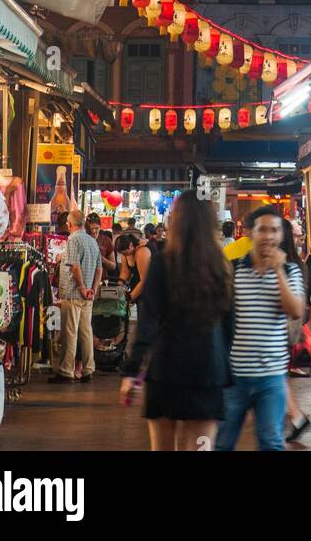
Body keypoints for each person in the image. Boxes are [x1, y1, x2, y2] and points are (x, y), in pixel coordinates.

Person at [119, 191, 232, 451]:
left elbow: (148, 321)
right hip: (208, 374)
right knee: (202, 447)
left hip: (166, 371)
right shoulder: (222, 267)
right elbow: (229, 327)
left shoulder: (163, 263)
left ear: (176, 221)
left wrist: (132, 370)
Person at [216, 206, 305, 452]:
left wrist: (277, 271)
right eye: (262, 229)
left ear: (281, 235)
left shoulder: (290, 270)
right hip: (234, 375)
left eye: (274, 230)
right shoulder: (234, 270)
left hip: (272, 377)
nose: (268, 236)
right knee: (223, 443)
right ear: (250, 234)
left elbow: (295, 310)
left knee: (271, 442)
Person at [49, 208, 102, 383]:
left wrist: (81, 287)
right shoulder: (92, 241)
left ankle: (66, 370)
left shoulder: (73, 240)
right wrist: (92, 289)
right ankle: (88, 369)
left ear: (70, 224)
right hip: (88, 295)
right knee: (86, 331)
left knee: (70, 332)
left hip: (73, 293)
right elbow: (99, 269)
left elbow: (75, 267)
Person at [280, 219, 311, 444]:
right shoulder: (295, 261)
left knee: (278, 376)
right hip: (287, 331)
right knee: (279, 377)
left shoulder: (288, 264)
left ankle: (297, 417)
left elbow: (295, 306)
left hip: (282, 332)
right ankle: (296, 417)